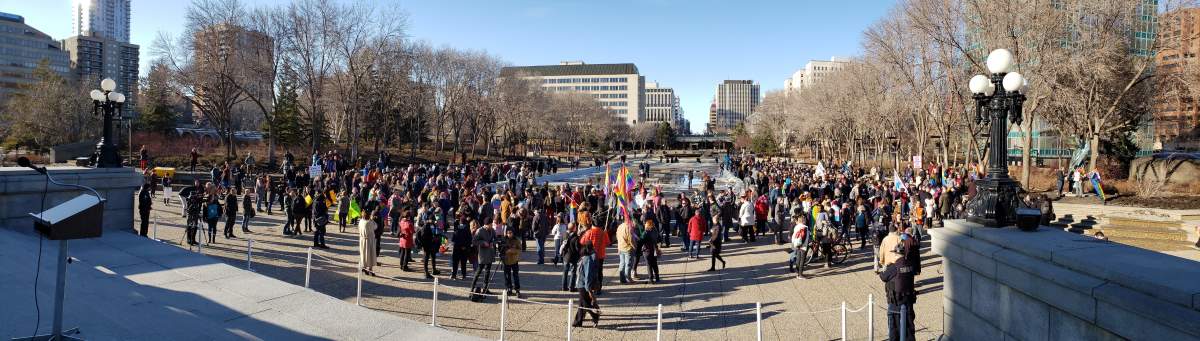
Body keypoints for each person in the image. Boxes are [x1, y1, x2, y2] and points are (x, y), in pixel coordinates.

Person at [880, 234, 918, 341]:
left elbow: (883, 277)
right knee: (909, 325)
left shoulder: (894, 267)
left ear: (897, 254)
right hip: (908, 299)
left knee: (894, 327)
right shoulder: (910, 264)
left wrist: (885, 268)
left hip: (895, 301)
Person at [579, 214, 610, 293]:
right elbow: (607, 243)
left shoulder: (589, 232)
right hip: (600, 255)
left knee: (590, 272)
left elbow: (582, 242)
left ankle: (590, 287)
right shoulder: (603, 233)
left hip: (590, 255)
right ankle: (598, 288)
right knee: (599, 272)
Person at [572, 243, 601, 328]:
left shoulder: (587, 259)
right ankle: (578, 321)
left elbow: (588, 275)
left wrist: (588, 289)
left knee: (586, 304)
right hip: (580, 284)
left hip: (583, 285)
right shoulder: (584, 258)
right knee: (582, 304)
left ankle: (595, 315)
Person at [470, 219, 498, 300]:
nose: (491, 226)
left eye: (491, 224)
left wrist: (493, 243)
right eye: (490, 225)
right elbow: (474, 241)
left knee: (487, 272)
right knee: (478, 272)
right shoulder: (480, 231)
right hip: (482, 255)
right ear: (486, 224)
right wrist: (483, 243)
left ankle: (485, 289)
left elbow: (496, 239)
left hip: (490, 253)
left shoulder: (492, 230)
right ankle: (472, 288)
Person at [500, 227, 523, 297]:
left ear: (513, 233)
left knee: (516, 276)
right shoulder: (504, 240)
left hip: (514, 260)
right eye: (507, 233)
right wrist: (503, 251)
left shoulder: (516, 240)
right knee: (507, 276)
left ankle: (517, 289)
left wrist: (512, 250)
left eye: (510, 233)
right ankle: (508, 288)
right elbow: (500, 249)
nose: (509, 234)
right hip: (506, 261)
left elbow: (520, 250)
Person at [560, 223, 582, 292]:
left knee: (565, 272)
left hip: (566, 256)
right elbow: (577, 248)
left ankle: (564, 287)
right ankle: (571, 287)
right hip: (573, 257)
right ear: (574, 228)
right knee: (573, 272)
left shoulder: (564, 234)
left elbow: (561, 243)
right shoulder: (576, 237)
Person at [358, 207, 378, 276]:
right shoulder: (369, 222)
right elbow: (375, 227)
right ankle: (370, 269)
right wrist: (372, 220)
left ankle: (364, 266)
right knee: (370, 254)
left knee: (363, 254)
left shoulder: (361, 221)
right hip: (369, 240)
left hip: (362, 239)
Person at [640, 219, 661, 283]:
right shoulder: (655, 231)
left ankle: (651, 278)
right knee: (655, 264)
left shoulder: (645, 232)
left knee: (649, 265)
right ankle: (657, 277)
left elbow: (641, 241)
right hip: (654, 249)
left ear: (647, 225)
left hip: (647, 250)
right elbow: (659, 239)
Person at [616, 218, 636, 284]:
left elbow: (617, 236)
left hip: (620, 247)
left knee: (622, 263)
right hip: (627, 248)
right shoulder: (628, 227)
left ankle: (622, 279)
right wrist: (635, 247)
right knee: (628, 264)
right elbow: (631, 240)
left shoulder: (620, 226)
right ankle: (628, 278)